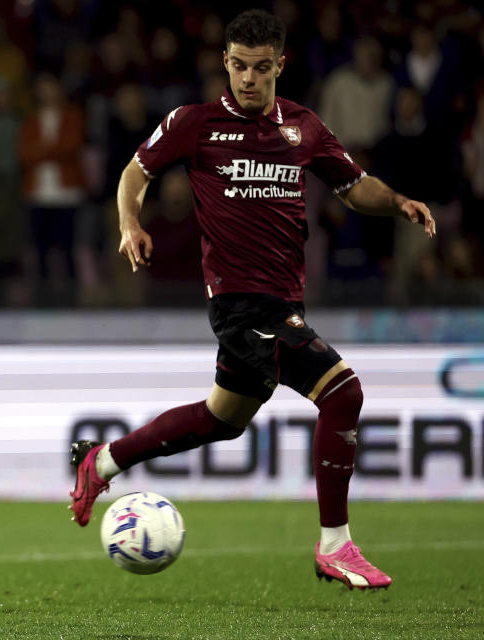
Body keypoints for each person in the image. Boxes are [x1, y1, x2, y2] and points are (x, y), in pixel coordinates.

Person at [69, 9, 435, 591]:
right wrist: (129, 222)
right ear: (226, 62)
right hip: (242, 306)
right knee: (344, 392)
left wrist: (396, 202)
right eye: (238, 66)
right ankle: (336, 545)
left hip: (285, 301)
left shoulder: (305, 127)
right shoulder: (194, 123)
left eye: (260, 69)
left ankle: (104, 461)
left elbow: (353, 184)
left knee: (223, 419)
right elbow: (135, 173)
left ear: (279, 66)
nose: (247, 78)